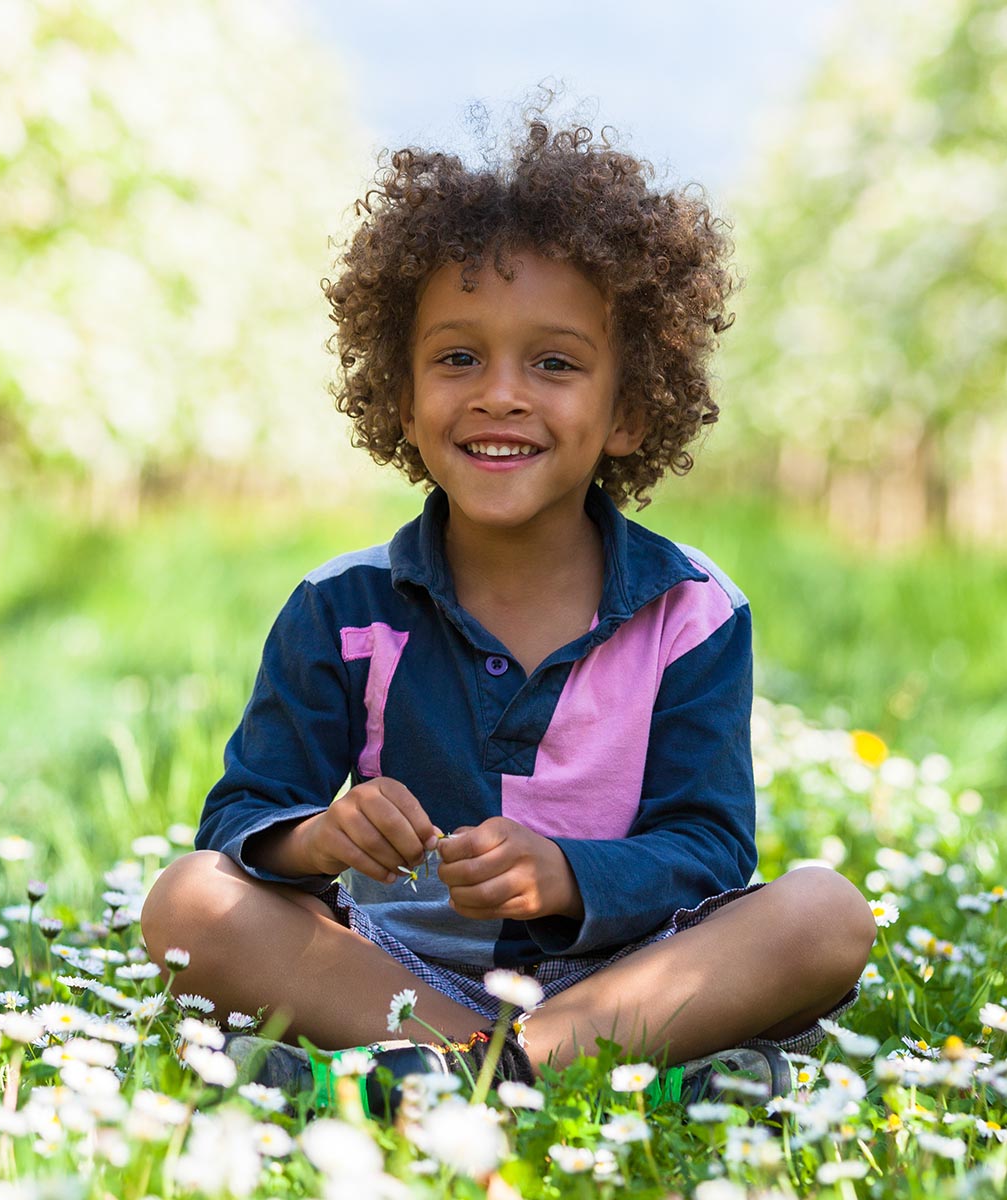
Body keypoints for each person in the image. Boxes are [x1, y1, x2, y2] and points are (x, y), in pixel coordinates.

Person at [141, 118, 876, 1098]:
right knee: (188, 899)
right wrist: (317, 838)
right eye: (456, 359)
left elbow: (707, 849)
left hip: (625, 972)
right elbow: (244, 813)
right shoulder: (340, 609)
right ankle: (523, 1067)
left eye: (554, 364)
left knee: (825, 914)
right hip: (394, 970)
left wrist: (572, 876)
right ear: (399, 397)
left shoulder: (694, 612)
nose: (500, 395)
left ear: (630, 412)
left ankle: (467, 1075)